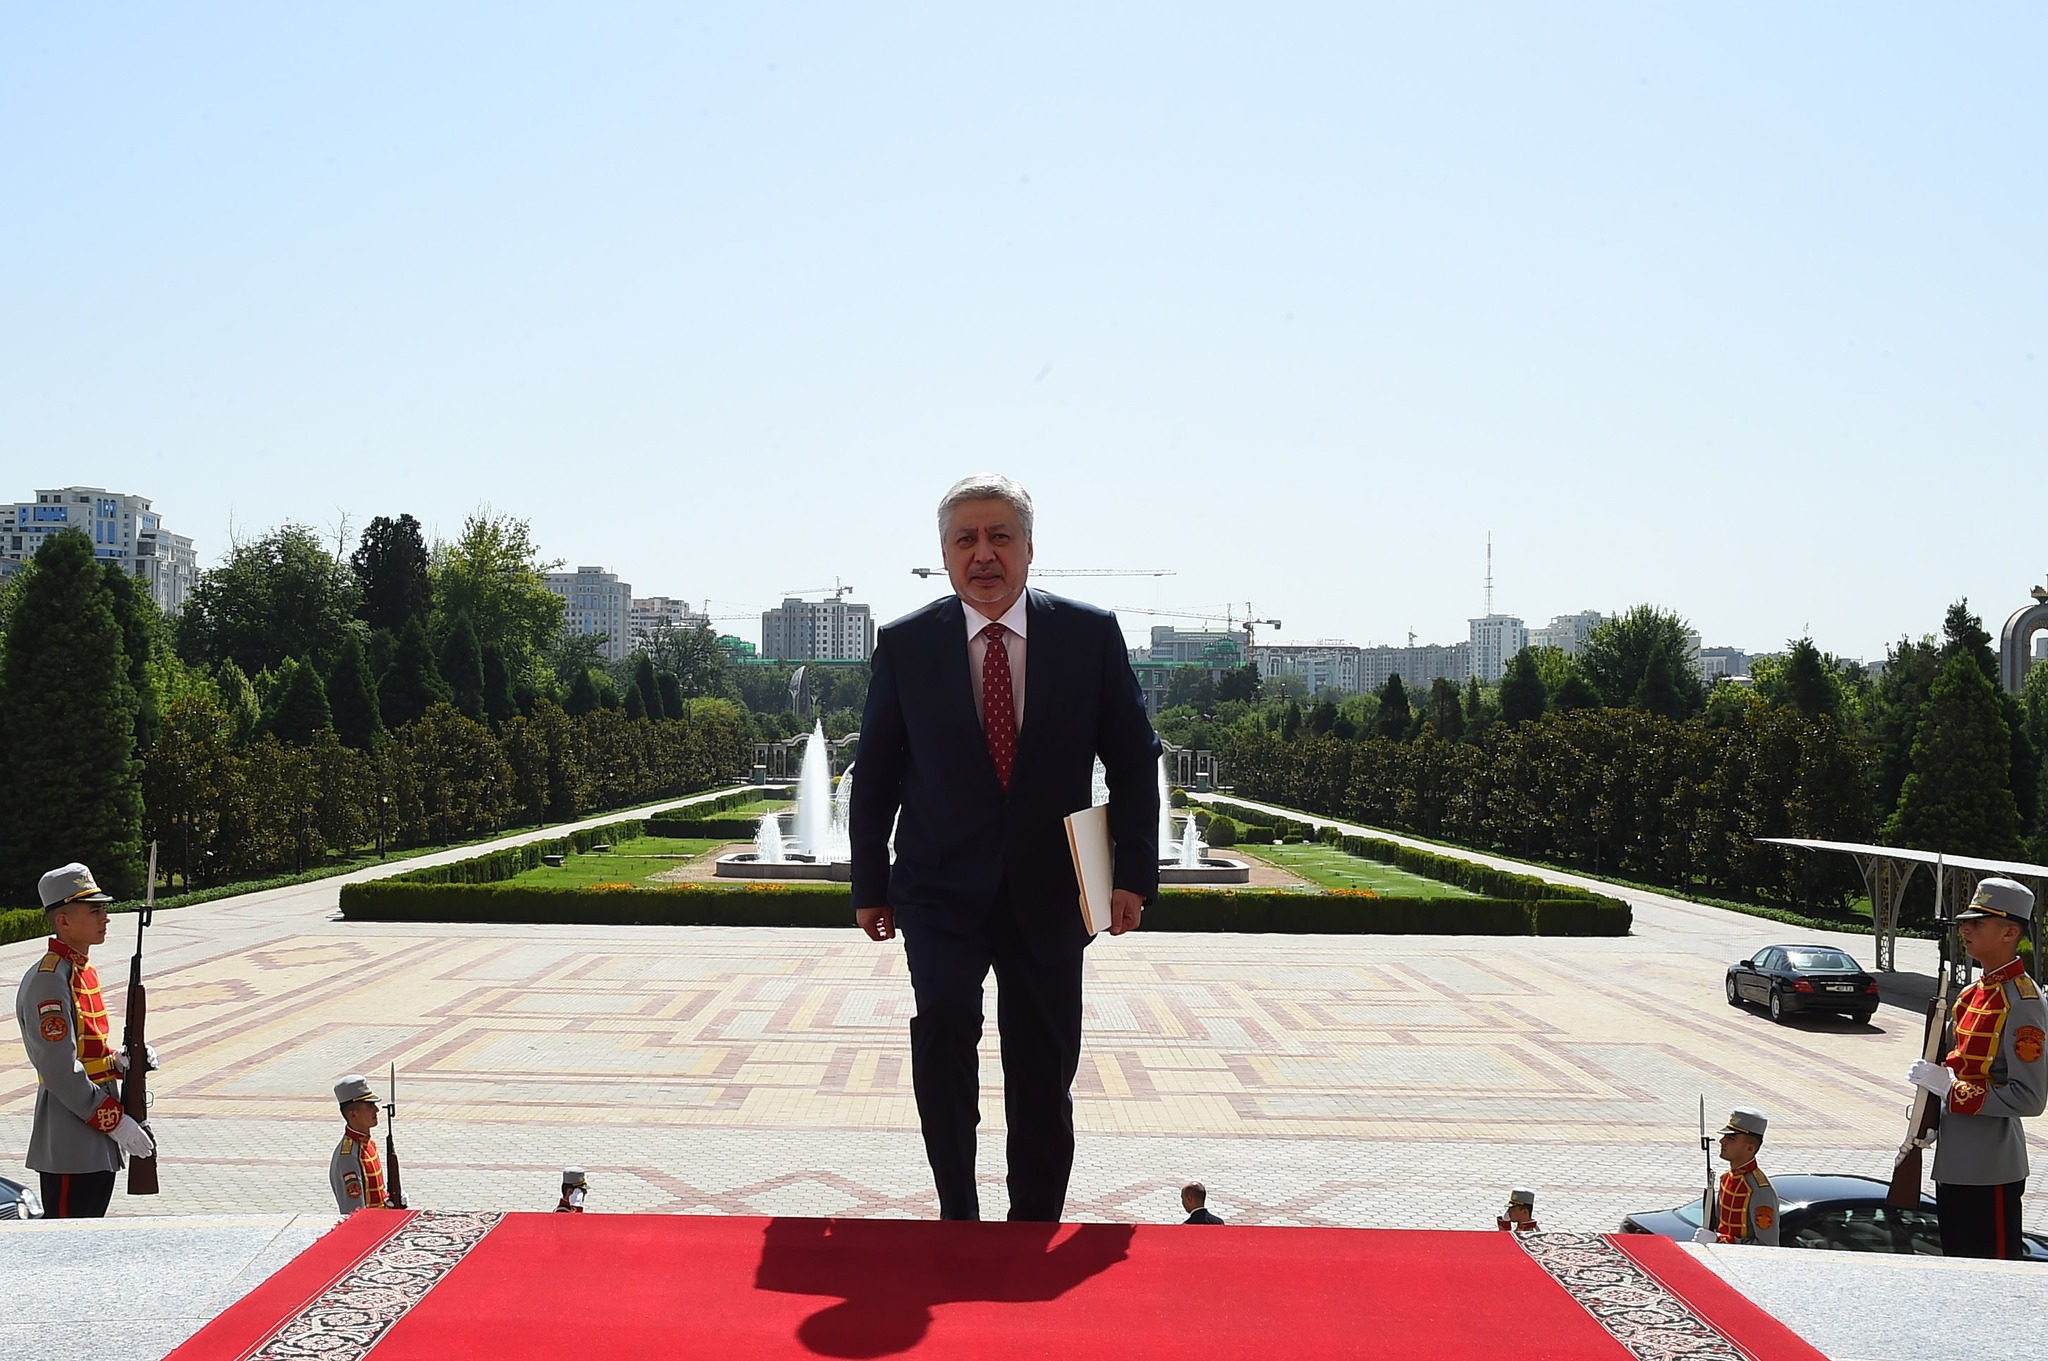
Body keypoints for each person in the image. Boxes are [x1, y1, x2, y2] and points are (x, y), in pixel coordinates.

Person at [850, 473, 1161, 1222]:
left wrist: (1133, 875)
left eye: (999, 537)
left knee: (1042, 1067)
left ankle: (1033, 1226)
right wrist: (869, 885)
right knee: (944, 1026)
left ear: (1028, 546)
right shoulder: (906, 644)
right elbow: (877, 772)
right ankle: (958, 1215)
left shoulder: (1088, 636)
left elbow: (1132, 758)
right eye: (966, 539)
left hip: (1052, 891)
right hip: (938, 888)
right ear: (945, 554)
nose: (982, 554)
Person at [1907, 877, 2047, 1259]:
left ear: (2009, 932)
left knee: (1995, 1276)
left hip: (1991, 1169)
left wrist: (1950, 1090)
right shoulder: (1971, 995)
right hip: (1952, 1163)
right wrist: (1930, 1105)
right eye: (1966, 922)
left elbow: (2030, 1098)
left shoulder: (2024, 1003)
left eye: (1978, 923)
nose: (1965, 929)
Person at [13, 863, 157, 1219]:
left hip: (94, 1138)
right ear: (63, 921)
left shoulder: (80, 970)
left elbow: (87, 1049)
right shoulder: (50, 980)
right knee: (65, 1239)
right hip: (70, 1139)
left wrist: (119, 1062)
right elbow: (60, 1071)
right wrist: (116, 1122)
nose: (105, 918)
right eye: (94, 911)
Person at [1692, 1108, 1779, 1246]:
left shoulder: (1760, 1190)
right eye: (1725, 1136)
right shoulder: (1727, 1178)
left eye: (1731, 1138)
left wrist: (1720, 1240)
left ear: (1750, 1148)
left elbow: (1768, 1245)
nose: (1722, 1141)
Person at [330, 1074, 394, 1213]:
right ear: (353, 1114)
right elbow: (355, 1211)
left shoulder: (368, 1143)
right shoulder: (348, 1157)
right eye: (369, 1106)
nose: (376, 1110)